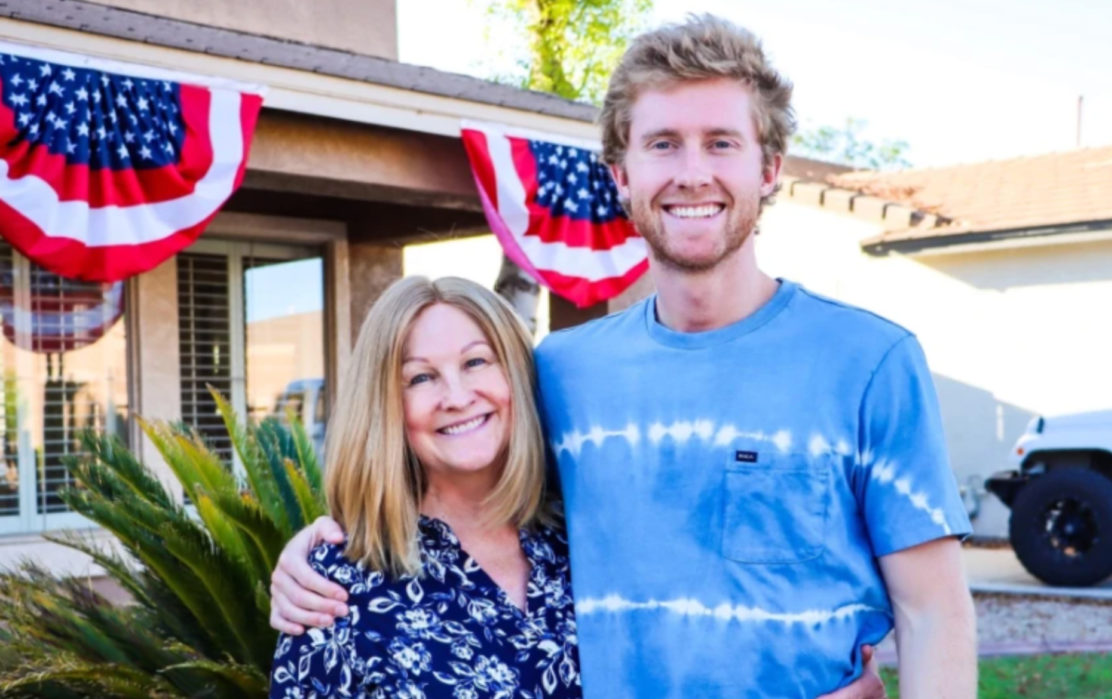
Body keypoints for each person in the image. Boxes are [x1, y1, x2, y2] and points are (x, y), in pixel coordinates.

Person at [272, 14, 976, 698]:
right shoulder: (560, 374)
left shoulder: (871, 363)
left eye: (721, 142)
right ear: (620, 174)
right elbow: (459, 477)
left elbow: (933, 612)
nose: (692, 172)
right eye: (663, 143)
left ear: (770, 168)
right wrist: (311, 551)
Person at [269, 276, 581, 698]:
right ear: (386, 408)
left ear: (516, 375)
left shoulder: (581, 538)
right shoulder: (334, 587)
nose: (456, 396)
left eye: (476, 362)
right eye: (420, 378)